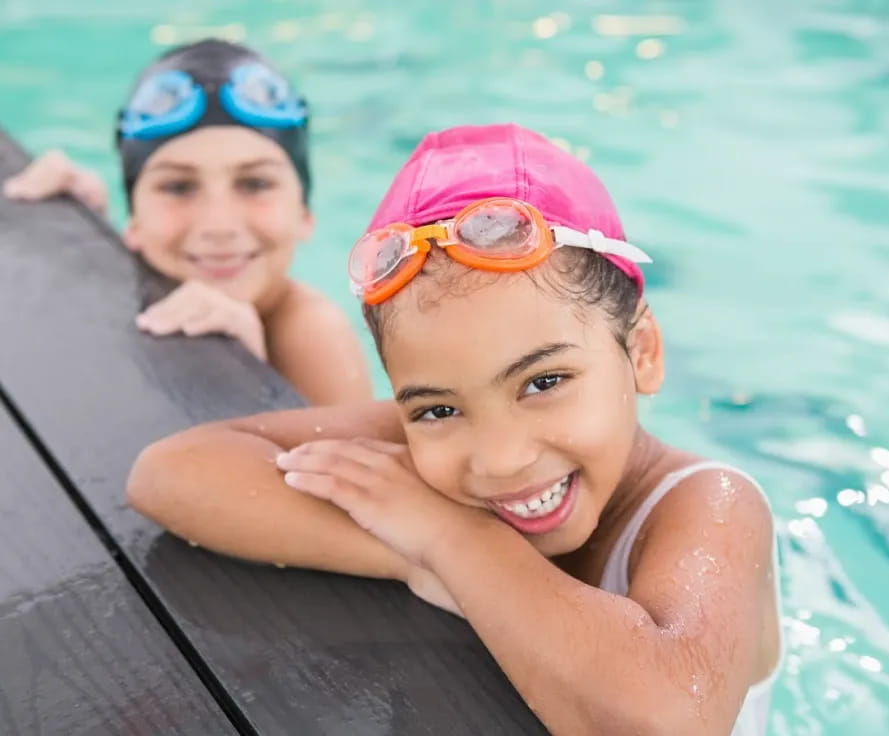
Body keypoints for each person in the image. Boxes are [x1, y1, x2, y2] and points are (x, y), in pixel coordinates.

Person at [127, 123, 781, 735]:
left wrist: (455, 541)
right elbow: (171, 473)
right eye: (436, 408)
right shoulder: (434, 444)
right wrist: (423, 552)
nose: (499, 457)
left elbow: (667, 719)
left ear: (642, 352)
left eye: (544, 382)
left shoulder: (709, 505)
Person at [3, 39, 371, 405]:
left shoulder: (312, 333)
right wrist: (80, 230)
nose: (219, 225)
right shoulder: (143, 273)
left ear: (304, 213)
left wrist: (247, 379)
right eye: (178, 187)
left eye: (255, 183)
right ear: (134, 221)